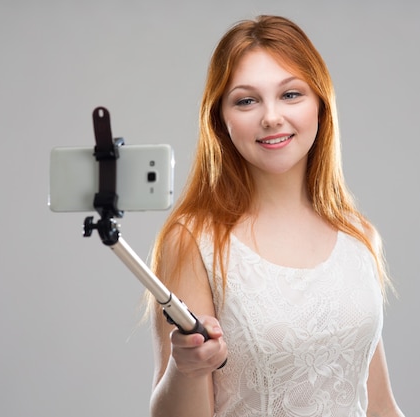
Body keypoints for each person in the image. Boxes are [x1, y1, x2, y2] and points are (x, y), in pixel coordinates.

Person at [146, 15, 405, 417]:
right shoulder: (194, 240)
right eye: (247, 100)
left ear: (320, 102)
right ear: (220, 120)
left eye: (291, 94)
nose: (271, 117)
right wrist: (190, 369)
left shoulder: (359, 236)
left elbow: (381, 406)